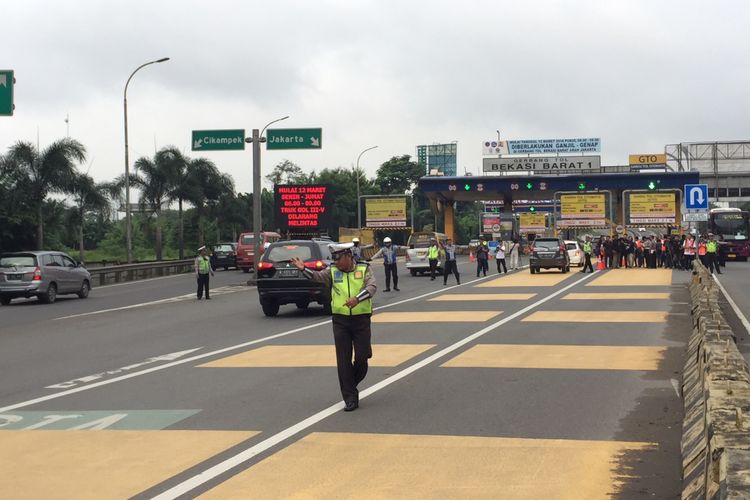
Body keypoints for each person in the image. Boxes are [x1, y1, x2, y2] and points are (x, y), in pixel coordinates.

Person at [291, 243, 376, 412]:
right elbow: (317, 277)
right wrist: (303, 269)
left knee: (362, 357)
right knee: (343, 360)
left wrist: (357, 299)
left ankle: (349, 383)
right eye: (334, 259)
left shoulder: (364, 269)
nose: (336, 262)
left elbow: (372, 287)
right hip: (340, 321)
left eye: (339, 259)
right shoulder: (332, 271)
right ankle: (350, 397)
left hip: (361, 320)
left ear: (348, 256)